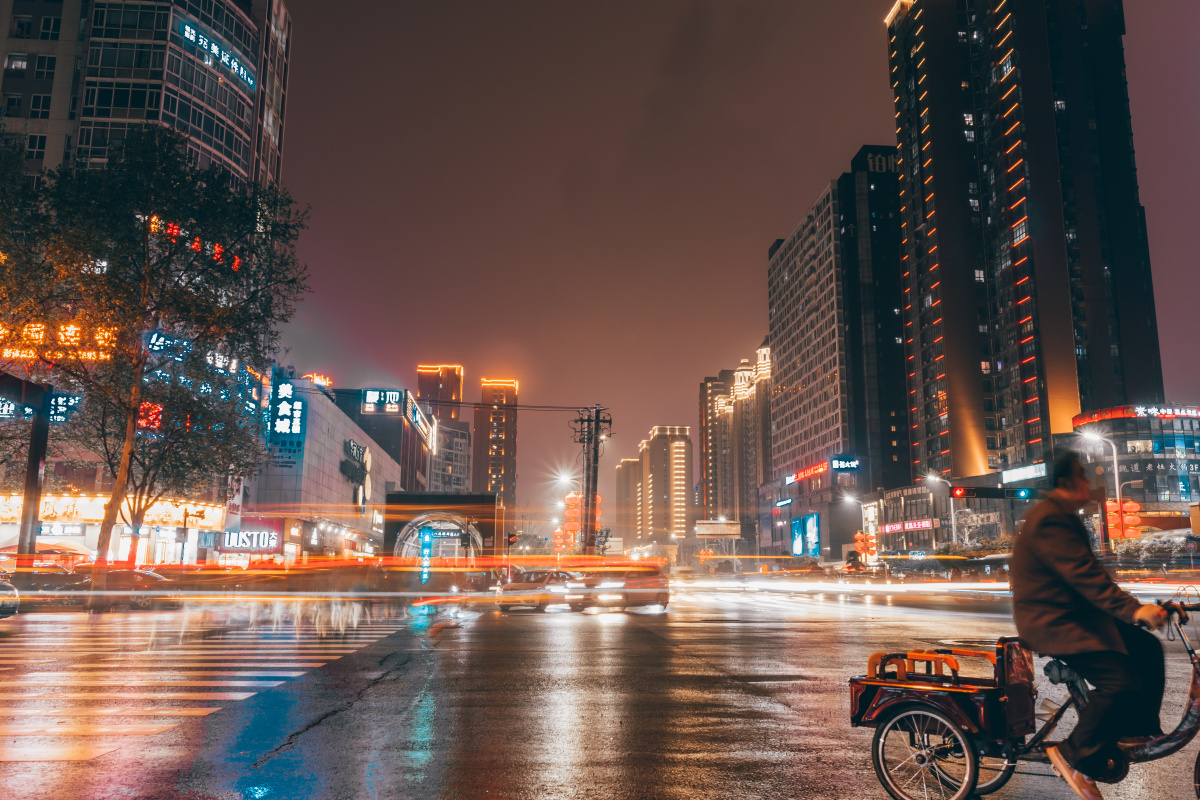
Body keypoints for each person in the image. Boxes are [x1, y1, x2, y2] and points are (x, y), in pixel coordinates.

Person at [1010, 451, 1167, 800]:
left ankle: (1137, 729)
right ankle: (1072, 755)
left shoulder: (1064, 516)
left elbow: (1093, 577)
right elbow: (1084, 577)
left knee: (1146, 647)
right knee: (1119, 682)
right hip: (1055, 622)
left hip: (1079, 615)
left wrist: (1144, 609)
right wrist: (1132, 610)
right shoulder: (1050, 519)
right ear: (1067, 483)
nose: (1090, 485)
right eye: (1084, 478)